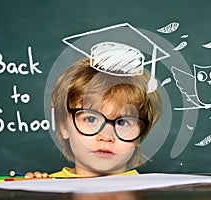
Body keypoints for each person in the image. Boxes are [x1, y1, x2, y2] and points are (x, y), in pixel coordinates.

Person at [26, 56, 162, 178]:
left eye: (122, 122)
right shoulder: (48, 187)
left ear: (140, 134)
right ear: (63, 126)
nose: (106, 137)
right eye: (91, 119)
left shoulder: (150, 191)